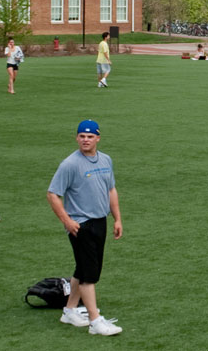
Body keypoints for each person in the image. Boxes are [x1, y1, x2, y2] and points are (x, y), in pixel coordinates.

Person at [48, 119, 124, 336]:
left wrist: (117, 219)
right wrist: (67, 221)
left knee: (83, 268)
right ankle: (95, 321)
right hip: (80, 225)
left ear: (98, 138)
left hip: (100, 221)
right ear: (76, 138)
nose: (85, 140)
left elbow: (111, 190)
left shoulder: (106, 160)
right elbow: (53, 194)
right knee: (90, 274)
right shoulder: (70, 164)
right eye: (82, 136)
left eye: (90, 137)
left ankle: (70, 310)